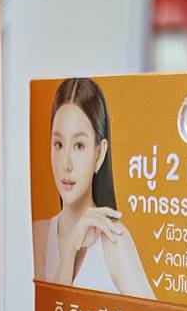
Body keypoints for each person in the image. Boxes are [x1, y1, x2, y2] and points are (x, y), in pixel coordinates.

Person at [32, 77, 153, 297]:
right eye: (58, 144)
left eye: (79, 145)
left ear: (99, 153)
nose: (66, 164)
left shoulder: (113, 241)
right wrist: (71, 249)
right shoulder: (39, 236)